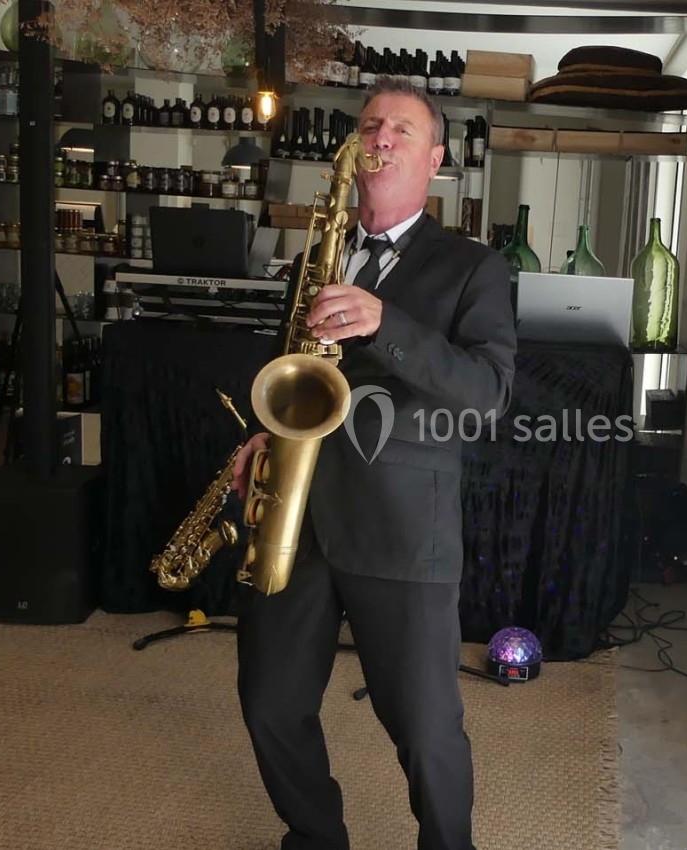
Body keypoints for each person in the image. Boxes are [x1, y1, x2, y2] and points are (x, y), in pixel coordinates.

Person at [231, 78, 516, 850]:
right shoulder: (313, 260)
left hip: (402, 531)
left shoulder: (472, 267)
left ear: (435, 158)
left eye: (400, 127)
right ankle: (316, 837)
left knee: (424, 733)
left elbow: (486, 393)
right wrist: (267, 434)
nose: (380, 135)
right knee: (269, 703)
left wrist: (386, 322)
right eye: (370, 124)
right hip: (301, 516)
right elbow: (292, 374)